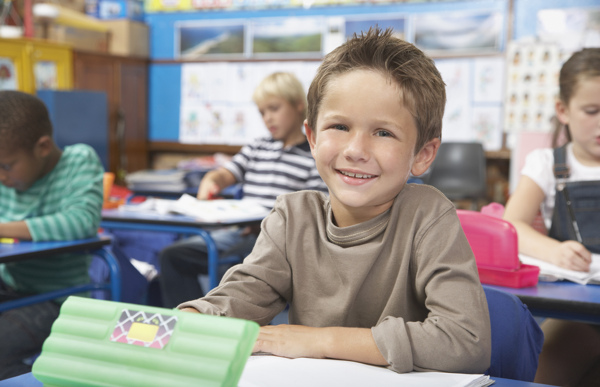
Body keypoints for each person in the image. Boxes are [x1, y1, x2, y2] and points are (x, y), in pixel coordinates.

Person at [178, 28, 491, 374]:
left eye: (383, 132)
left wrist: (320, 341)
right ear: (312, 137)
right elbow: (243, 295)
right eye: (339, 126)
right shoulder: (292, 217)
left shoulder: (428, 216)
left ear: (423, 154)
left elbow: (467, 341)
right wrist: (193, 320)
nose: (355, 150)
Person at [159, 72, 328, 308]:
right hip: (239, 233)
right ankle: (191, 323)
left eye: (274, 108)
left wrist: (270, 224)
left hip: (278, 240)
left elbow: (312, 213)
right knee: (172, 256)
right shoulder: (257, 147)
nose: (268, 118)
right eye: (262, 112)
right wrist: (213, 180)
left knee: (239, 263)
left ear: (299, 105)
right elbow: (226, 173)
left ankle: (224, 320)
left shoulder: (314, 155)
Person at [503, 48, 600, 386]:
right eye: (592, 111)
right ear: (563, 110)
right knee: (541, 375)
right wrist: (555, 251)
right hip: (579, 311)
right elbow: (510, 225)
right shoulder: (547, 164)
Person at [0, 90, 104, 379]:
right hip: (9, 286)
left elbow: (80, 221)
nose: (2, 176)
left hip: (57, 299)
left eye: (7, 166)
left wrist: (4, 229)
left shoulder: (78, 162)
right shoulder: (7, 178)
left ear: (43, 146)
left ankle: (48, 377)